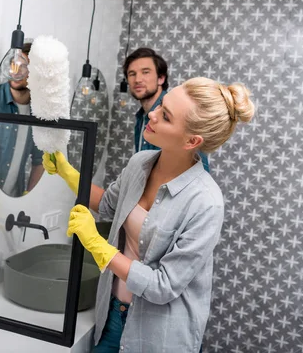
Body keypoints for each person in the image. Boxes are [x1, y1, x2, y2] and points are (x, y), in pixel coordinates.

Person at [43, 77, 255, 352]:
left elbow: (163, 286)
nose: (152, 115)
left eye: (165, 116)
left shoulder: (206, 203)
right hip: (110, 315)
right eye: (160, 106)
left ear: (192, 140)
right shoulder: (139, 163)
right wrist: (67, 171)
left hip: (158, 334)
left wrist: (98, 245)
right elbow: (108, 205)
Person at [123, 47, 210, 172]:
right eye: (132, 74)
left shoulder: (180, 111)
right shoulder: (141, 117)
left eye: (145, 72)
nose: (137, 79)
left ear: (161, 78)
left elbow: (198, 172)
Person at [0, 42, 44, 197]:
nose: (16, 71)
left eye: (24, 66)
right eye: (14, 64)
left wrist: (28, 194)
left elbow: (40, 161)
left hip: (15, 196)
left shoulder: (39, 110)